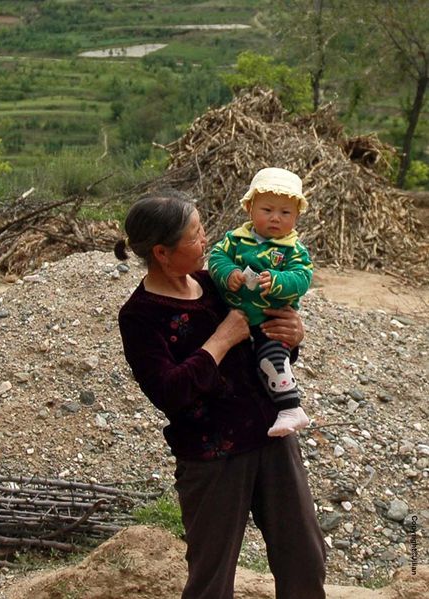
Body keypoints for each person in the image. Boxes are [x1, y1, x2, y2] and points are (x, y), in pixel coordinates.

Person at [115, 189, 326, 599]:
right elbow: (169, 390)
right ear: (162, 251)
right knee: (211, 577)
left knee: (305, 557)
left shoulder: (216, 284)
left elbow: (265, 343)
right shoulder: (140, 315)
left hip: (271, 436)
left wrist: (292, 335)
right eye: (195, 235)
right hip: (212, 456)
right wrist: (222, 339)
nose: (206, 239)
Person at [209, 167, 313, 437]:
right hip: (233, 317)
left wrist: (277, 281)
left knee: (273, 358)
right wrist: (228, 273)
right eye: (267, 210)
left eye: (285, 213)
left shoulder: (294, 250)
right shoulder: (234, 240)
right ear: (250, 209)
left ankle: (291, 408)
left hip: (269, 320)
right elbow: (216, 258)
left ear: (297, 216)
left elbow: (302, 278)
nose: (276, 218)